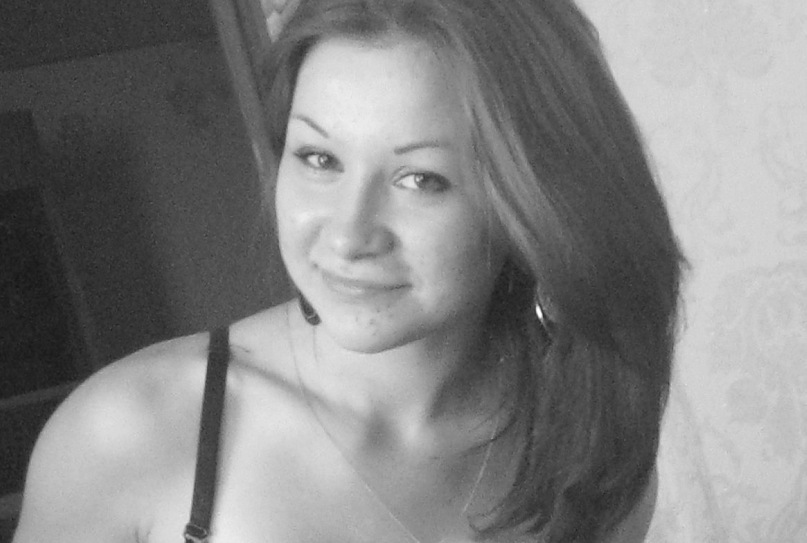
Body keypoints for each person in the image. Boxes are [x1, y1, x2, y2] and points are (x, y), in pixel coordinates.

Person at [12, 0, 684, 542]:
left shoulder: (583, 454)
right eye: (319, 159)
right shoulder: (126, 433)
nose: (348, 233)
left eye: (421, 178)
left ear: (537, 205)